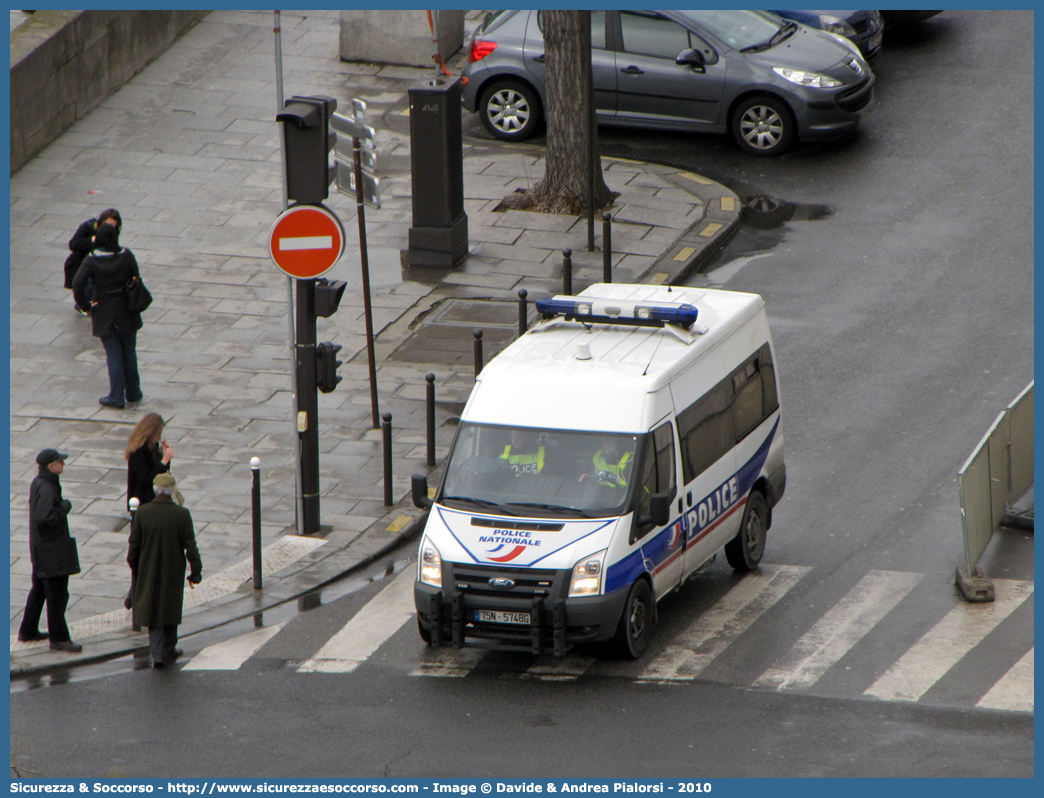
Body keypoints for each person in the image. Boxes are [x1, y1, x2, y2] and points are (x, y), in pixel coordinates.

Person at [127, 473, 202, 668]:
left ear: (155, 490)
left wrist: (135, 565)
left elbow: (134, 545)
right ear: (171, 492)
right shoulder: (182, 514)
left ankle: (161, 651)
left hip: (149, 568)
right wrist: (196, 571)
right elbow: (191, 547)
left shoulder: (143, 512)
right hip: (173, 569)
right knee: (170, 606)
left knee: (153, 609)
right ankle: (165, 650)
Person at [72, 221, 143, 409]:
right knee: (129, 349)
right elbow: (136, 276)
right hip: (127, 309)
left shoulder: (91, 260)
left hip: (103, 310)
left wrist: (86, 306)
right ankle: (134, 391)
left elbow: (78, 284)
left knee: (113, 351)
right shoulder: (126, 256)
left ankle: (116, 396)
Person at [18, 449, 83, 652]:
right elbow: (44, 517)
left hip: (39, 549)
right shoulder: (48, 487)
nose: (63, 464)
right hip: (51, 550)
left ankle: (28, 630)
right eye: (59, 462)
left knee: (39, 589)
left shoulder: (38, 482)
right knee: (57, 594)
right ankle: (59, 638)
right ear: (51, 466)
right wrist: (64, 507)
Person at [64, 208, 122, 316]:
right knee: (85, 285)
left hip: (98, 264)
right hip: (80, 263)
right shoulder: (88, 227)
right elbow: (73, 244)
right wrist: (94, 240)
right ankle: (84, 305)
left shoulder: (112, 234)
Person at [126, 412, 173, 510]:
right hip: (142, 500)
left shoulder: (152, 446)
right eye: (158, 433)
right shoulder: (138, 451)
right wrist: (164, 461)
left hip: (152, 499)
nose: (159, 437)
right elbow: (146, 477)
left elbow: (162, 472)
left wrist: (165, 457)